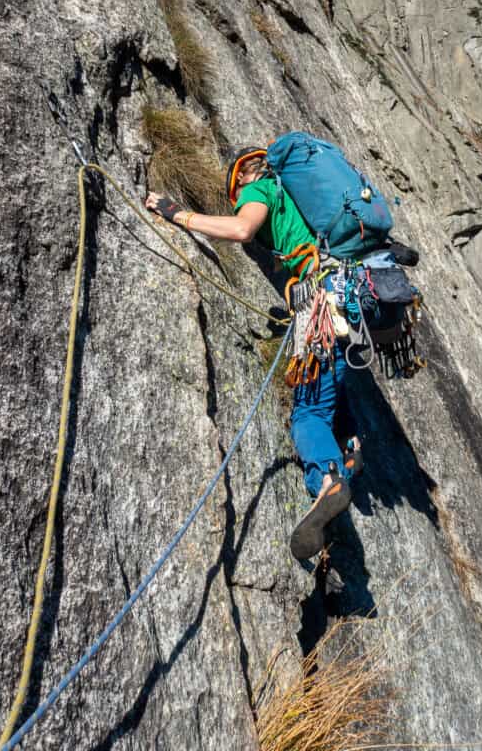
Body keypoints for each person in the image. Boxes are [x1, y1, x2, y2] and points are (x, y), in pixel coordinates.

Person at [145, 146, 362, 559]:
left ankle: (328, 477)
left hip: (320, 294)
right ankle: (350, 446)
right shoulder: (300, 199)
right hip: (348, 291)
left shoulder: (259, 188)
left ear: (241, 177)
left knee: (308, 413)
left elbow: (244, 229)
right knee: (330, 373)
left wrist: (178, 215)